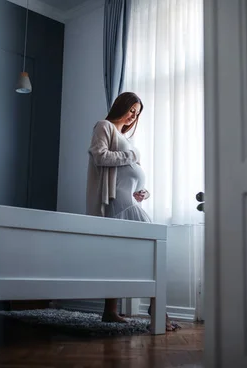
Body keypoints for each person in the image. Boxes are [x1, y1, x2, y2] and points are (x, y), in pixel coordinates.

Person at [86, 92, 178, 331]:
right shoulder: (104, 126)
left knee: (118, 256)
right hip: (117, 202)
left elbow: (129, 175)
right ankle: (156, 310)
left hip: (129, 200)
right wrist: (133, 155)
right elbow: (99, 156)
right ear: (120, 107)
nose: (132, 117)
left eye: (136, 114)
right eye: (131, 110)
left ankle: (110, 311)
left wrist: (142, 191)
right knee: (149, 252)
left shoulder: (123, 137)